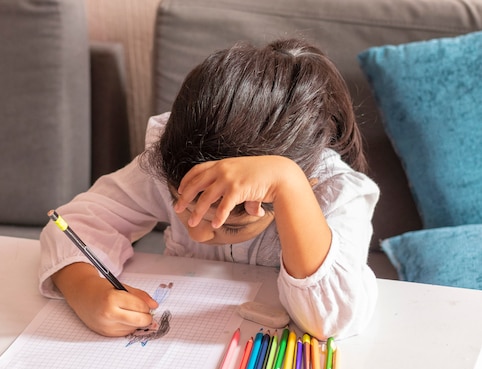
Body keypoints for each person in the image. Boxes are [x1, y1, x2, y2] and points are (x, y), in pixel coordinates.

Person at [39, 38, 379, 340]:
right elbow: (74, 223)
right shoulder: (173, 160)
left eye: (231, 224)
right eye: (179, 202)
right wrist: (84, 286)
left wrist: (290, 186)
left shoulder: (334, 191)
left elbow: (331, 320)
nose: (196, 233)